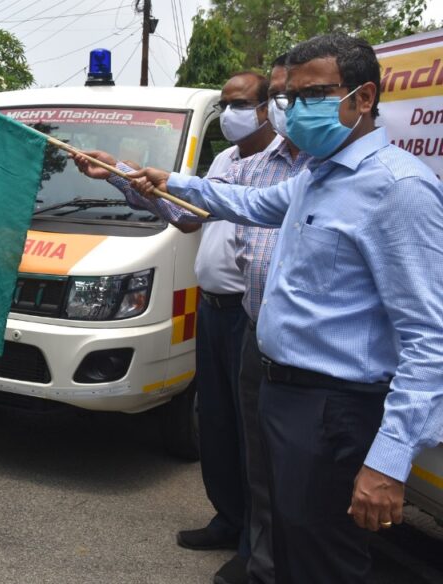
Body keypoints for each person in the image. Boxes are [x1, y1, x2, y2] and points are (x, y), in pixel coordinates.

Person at [117, 34, 443, 583]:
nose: (294, 109)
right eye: (289, 96)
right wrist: (160, 181)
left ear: (363, 99)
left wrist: (388, 461)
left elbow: (429, 339)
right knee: (288, 545)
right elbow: (244, 202)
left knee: (325, 560)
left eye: (314, 93)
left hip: (335, 409)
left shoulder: (396, 188)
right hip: (283, 394)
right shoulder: (317, 174)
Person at [77, 70, 277, 584]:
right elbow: (186, 216)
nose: (231, 111)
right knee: (215, 421)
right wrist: (118, 175)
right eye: (226, 102)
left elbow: (224, 208)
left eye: (241, 103)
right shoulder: (225, 160)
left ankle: (257, 545)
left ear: (265, 108)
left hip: (252, 314)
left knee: (251, 434)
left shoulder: (282, 166)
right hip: (213, 310)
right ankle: (228, 518)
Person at [228, 54, 314, 584]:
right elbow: (201, 204)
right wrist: (128, 177)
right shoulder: (255, 168)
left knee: (309, 488)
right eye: (283, 95)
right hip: (255, 337)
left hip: (317, 361)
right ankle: (261, 568)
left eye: (301, 96)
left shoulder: (339, 173)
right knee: (259, 472)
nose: (289, 107)